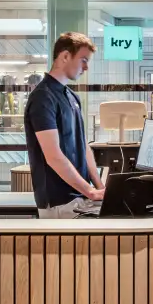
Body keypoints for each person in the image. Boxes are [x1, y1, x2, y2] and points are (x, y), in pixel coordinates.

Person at [25, 32, 105, 218]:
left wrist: (99, 188)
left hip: (79, 198)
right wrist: (90, 191)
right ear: (65, 56)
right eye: (83, 60)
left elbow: (83, 146)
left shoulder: (71, 96)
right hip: (59, 203)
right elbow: (53, 156)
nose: (86, 67)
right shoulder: (43, 98)